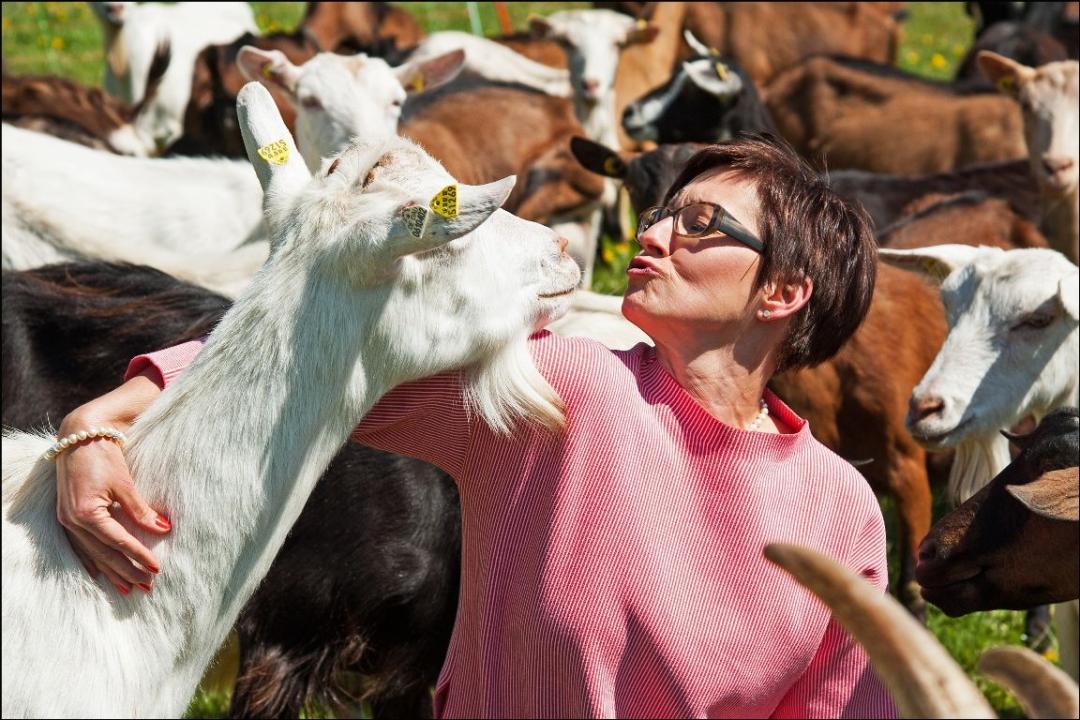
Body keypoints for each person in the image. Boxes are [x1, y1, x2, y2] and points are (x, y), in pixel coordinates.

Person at [52, 136, 896, 718]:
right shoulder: (564, 390)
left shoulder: (843, 510)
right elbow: (297, 360)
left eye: (702, 224)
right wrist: (97, 425)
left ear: (782, 293)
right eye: (663, 211)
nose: (655, 230)